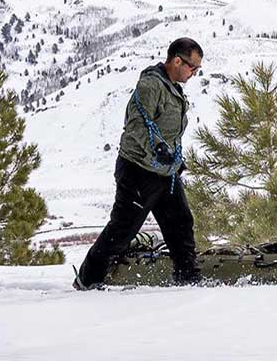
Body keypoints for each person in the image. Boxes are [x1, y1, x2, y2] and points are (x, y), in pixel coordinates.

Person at [74, 38, 204, 290]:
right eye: (192, 67)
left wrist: (174, 160)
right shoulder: (151, 85)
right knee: (124, 228)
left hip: (164, 173)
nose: (194, 73)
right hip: (138, 171)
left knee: (181, 222)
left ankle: (188, 279)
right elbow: (137, 125)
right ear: (177, 60)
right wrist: (157, 150)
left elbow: (167, 131)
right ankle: (87, 280)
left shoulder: (172, 87)